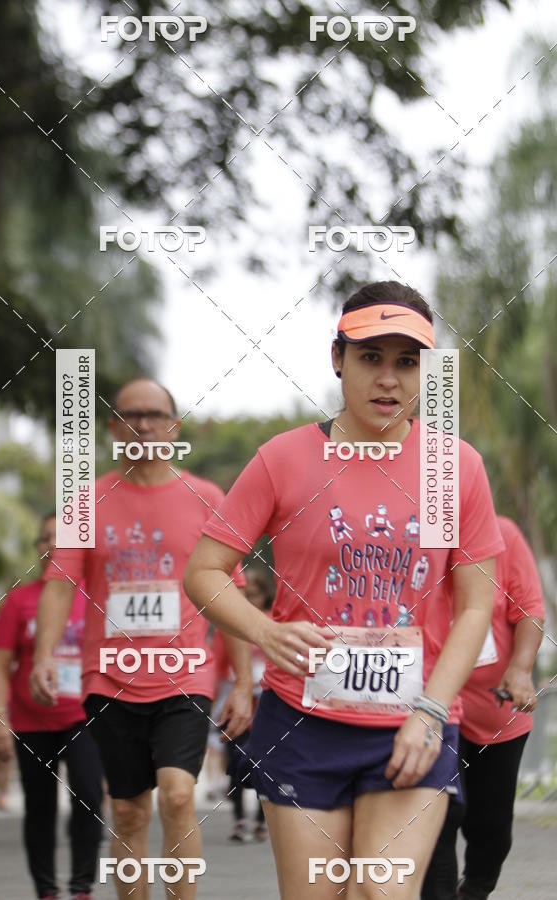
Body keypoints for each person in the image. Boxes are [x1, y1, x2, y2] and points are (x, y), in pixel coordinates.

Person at [184, 281, 506, 899]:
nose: (389, 380)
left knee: (380, 893)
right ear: (338, 359)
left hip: (415, 720)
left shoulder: (452, 468)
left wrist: (432, 712)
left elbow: (474, 606)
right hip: (302, 723)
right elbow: (202, 571)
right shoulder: (285, 459)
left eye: (407, 362)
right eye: (371, 358)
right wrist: (266, 632)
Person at [30, 379, 253, 900]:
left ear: (175, 426)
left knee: (178, 796)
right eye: (131, 415)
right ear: (113, 428)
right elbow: (59, 587)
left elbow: (229, 595)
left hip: (187, 674)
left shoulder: (207, 498)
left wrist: (243, 680)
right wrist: (43, 655)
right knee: (129, 810)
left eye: (155, 415)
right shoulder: (86, 501)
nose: (144, 424)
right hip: (109, 677)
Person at [422, 515, 545, 900]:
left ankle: (474, 890)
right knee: (438, 817)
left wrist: (521, 670)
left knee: (491, 831)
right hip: (430, 709)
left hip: (494, 712)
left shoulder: (503, 534)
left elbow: (528, 608)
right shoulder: (411, 536)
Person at [0, 512, 103, 900]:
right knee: (40, 808)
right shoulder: (19, 601)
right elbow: (0, 665)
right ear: (37, 548)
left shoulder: (92, 595)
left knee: (89, 797)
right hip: (31, 721)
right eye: (44, 539)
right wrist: (0, 721)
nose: (52, 545)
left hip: (84, 717)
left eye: (60, 538)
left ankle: (81, 887)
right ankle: (46, 890)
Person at [220, 567, 274, 842]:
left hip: (266, 702)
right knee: (235, 762)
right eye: (246, 596)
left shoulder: (274, 621)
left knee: (266, 765)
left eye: (255, 595)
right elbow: (219, 660)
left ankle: (262, 821)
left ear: (266, 595)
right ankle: (239, 818)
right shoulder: (231, 624)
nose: (251, 601)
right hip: (237, 698)